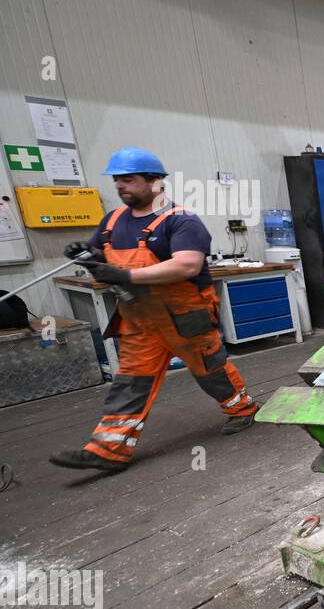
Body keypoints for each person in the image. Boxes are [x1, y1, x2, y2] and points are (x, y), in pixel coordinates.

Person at [49, 148, 258, 472]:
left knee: (210, 372)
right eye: (117, 180)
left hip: (185, 319)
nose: (120, 186)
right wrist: (86, 256)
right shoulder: (113, 221)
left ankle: (242, 408)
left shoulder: (181, 221)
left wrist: (125, 275)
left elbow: (186, 266)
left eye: (128, 179)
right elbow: (103, 258)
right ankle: (109, 449)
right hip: (139, 321)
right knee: (130, 381)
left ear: (155, 181)